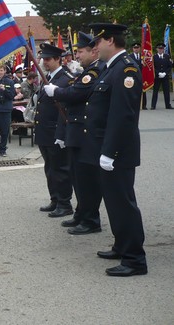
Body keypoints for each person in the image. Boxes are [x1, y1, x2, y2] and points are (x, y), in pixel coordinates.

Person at [80, 22, 147, 277]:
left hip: (117, 152)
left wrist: (110, 152)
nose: (94, 47)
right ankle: (121, 245)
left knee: (123, 204)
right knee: (114, 202)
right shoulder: (112, 69)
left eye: (97, 42)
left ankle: (135, 259)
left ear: (110, 41)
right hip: (106, 149)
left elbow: (122, 116)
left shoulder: (126, 69)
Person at [44, 32, 105, 235]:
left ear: (92, 51)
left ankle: (90, 219)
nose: (77, 56)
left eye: (80, 51)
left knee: (86, 180)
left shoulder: (94, 71)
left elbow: (76, 93)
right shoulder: (88, 70)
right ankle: (81, 213)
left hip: (84, 132)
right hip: (76, 131)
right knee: (77, 177)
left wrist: (56, 92)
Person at [34, 43, 74, 218]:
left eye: (48, 59)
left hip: (55, 133)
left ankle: (65, 203)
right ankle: (55, 199)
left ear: (58, 59)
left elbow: (64, 109)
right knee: (50, 168)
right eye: (43, 59)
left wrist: (62, 134)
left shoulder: (65, 79)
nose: (45, 62)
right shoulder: (49, 78)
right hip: (45, 132)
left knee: (60, 169)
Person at [150, 43, 173, 109]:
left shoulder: (167, 56)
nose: (160, 50)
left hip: (165, 77)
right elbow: (153, 67)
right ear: (157, 49)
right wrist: (158, 73)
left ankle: (168, 105)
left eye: (162, 49)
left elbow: (169, 66)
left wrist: (165, 73)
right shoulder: (154, 57)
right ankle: (153, 106)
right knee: (155, 91)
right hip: (157, 77)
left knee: (166, 91)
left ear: (163, 49)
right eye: (159, 49)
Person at [130, 43, 147, 109]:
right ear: (133, 49)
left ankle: (143, 105)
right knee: (133, 90)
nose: (136, 49)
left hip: (141, 76)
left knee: (143, 90)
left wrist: (144, 63)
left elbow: (146, 67)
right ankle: (134, 104)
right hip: (133, 76)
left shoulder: (143, 57)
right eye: (135, 48)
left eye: (137, 48)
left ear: (139, 48)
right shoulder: (130, 56)